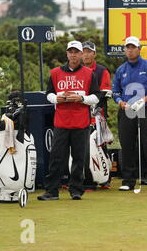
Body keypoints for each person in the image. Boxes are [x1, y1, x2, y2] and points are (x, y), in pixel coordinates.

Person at [38, 40, 101, 201]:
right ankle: (52, 191)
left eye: (76, 52)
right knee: (57, 158)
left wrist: (81, 98)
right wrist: (56, 99)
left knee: (80, 158)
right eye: (70, 51)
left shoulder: (89, 74)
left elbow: (96, 96)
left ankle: (76, 190)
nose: (73, 54)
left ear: (81, 54)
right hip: (61, 122)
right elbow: (49, 93)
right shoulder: (55, 73)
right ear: (67, 54)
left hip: (81, 122)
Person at [112, 36, 147, 192]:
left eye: (132, 47)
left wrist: (144, 99)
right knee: (127, 144)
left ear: (139, 49)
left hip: (146, 108)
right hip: (127, 110)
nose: (129, 50)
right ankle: (128, 181)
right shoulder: (121, 69)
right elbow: (116, 91)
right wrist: (120, 102)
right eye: (127, 47)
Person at [82, 41, 112, 189]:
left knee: (101, 147)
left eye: (89, 52)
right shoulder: (76, 70)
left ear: (94, 54)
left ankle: (106, 178)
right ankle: (88, 178)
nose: (86, 54)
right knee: (84, 148)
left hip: (97, 114)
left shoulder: (101, 71)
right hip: (80, 115)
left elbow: (104, 92)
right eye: (84, 51)